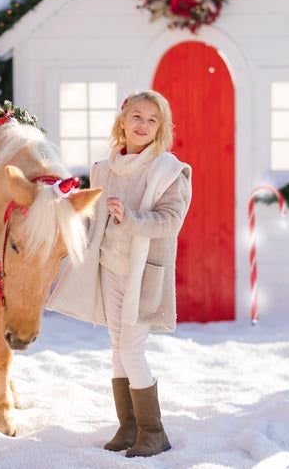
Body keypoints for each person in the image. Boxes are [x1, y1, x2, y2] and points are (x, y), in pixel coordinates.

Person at [46, 90, 192, 458]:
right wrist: (66, 205)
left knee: (132, 347)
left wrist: (131, 217)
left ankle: (153, 431)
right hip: (110, 265)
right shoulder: (103, 169)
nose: (142, 124)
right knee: (116, 347)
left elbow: (170, 222)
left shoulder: (169, 170)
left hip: (144, 272)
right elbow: (94, 219)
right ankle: (129, 428)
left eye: (152, 120)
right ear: (122, 121)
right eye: (136, 116)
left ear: (160, 129)